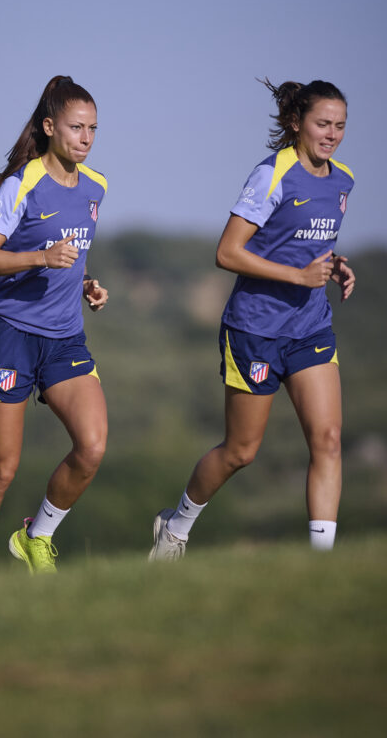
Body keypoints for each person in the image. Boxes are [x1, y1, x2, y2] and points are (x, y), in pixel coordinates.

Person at [150, 79, 356, 560]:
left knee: (327, 439)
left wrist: (333, 264)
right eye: (322, 124)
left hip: (310, 328)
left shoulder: (342, 181)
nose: (331, 134)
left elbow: (306, 244)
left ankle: (320, 564)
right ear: (296, 123)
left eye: (340, 126)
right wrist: (298, 274)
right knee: (241, 451)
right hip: (255, 330)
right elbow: (227, 252)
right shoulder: (272, 174)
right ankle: (175, 527)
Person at [0, 75, 109, 580]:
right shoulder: (24, 183)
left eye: (92, 129)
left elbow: (73, 251)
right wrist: (41, 256)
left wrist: (86, 282)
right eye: (76, 127)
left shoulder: (96, 187)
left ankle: (36, 535)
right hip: (10, 336)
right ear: (49, 127)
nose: (85, 138)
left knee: (92, 446)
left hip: (65, 337)